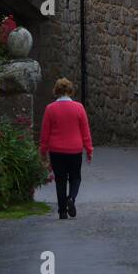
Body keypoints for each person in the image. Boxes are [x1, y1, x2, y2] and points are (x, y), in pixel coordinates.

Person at [39, 78, 93, 219]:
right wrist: (88, 149)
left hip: (56, 150)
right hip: (74, 149)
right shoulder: (79, 108)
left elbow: (45, 133)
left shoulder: (50, 109)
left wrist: (43, 151)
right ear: (70, 91)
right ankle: (71, 198)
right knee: (75, 178)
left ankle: (62, 211)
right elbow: (85, 131)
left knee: (60, 180)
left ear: (56, 91)